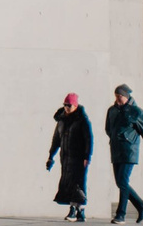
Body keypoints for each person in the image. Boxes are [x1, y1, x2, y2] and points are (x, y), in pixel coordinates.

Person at [104, 84, 143, 224]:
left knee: (123, 181)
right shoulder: (112, 111)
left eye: (120, 96)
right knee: (120, 182)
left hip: (129, 151)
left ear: (127, 96)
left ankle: (121, 215)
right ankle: (142, 206)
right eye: (116, 96)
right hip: (116, 150)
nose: (118, 99)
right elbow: (108, 128)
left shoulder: (136, 112)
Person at [47, 91, 94, 222]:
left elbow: (88, 139)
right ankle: (81, 211)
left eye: (69, 105)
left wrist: (87, 156)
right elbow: (56, 139)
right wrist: (51, 156)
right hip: (66, 158)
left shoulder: (82, 120)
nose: (67, 108)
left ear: (75, 105)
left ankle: (73, 210)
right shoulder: (61, 120)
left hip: (78, 158)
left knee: (77, 183)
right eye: (65, 105)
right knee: (68, 183)